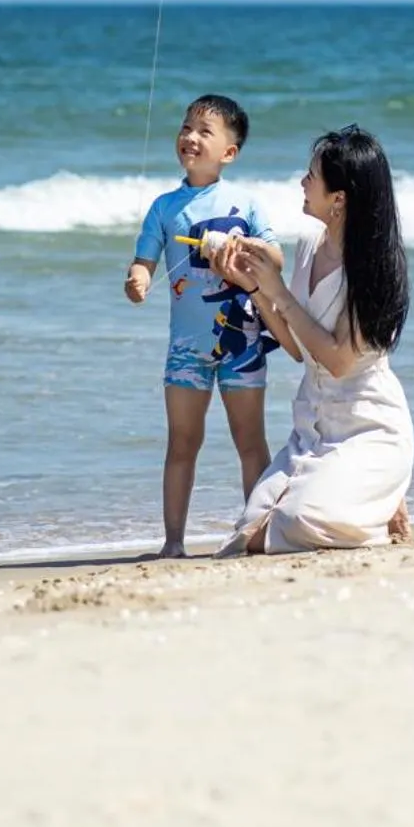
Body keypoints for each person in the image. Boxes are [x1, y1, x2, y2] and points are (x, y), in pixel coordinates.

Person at [218, 125, 413, 555]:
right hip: (312, 427)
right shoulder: (309, 244)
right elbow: (295, 345)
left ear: (339, 198)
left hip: (369, 424)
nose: (303, 183)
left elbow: (340, 361)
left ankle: (378, 503)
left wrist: (280, 292)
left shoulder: (376, 268)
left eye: (312, 176)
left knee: (297, 521)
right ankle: (369, 499)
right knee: (248, 534)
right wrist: (254, 285)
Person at [125, 93, 283, 556]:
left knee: (250, 441)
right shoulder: (163, 206)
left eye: (204, 131)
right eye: (186, 127)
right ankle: (173, 542)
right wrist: (136, 281)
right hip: (187, 349)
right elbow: (142, 263)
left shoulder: (245, 204)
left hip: (243, 343)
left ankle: (259, 533)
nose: (190, 137)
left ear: (229, 153)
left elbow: (275, 256)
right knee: (182, 443)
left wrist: (245, 247)